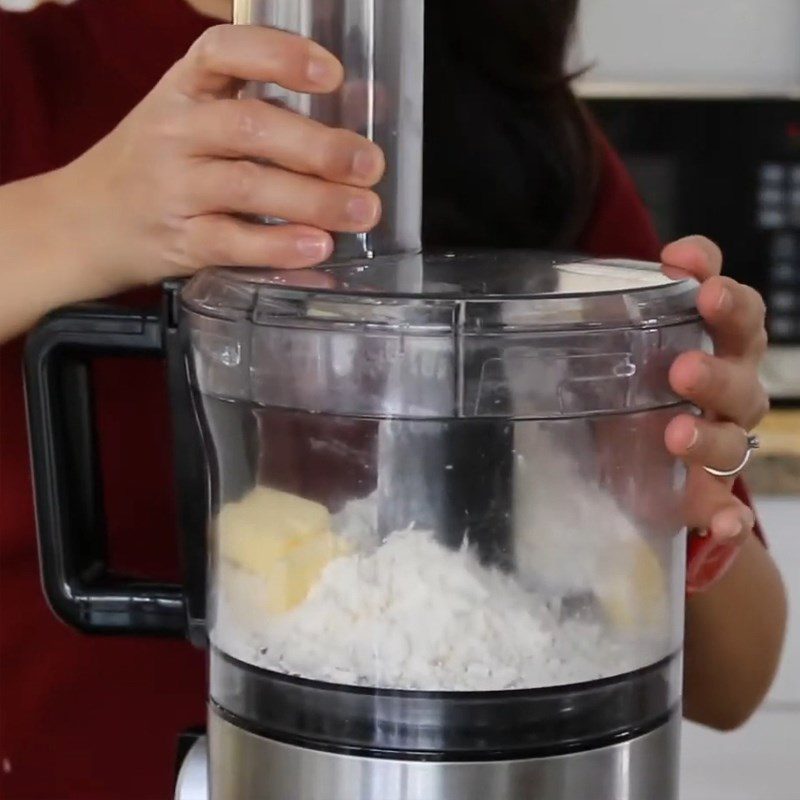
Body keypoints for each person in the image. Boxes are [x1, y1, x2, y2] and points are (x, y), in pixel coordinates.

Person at [0, 0, 786, 797]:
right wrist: (79, 216)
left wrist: (643, 496)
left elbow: (738, 680)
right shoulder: (28, 80)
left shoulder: (513, 117)